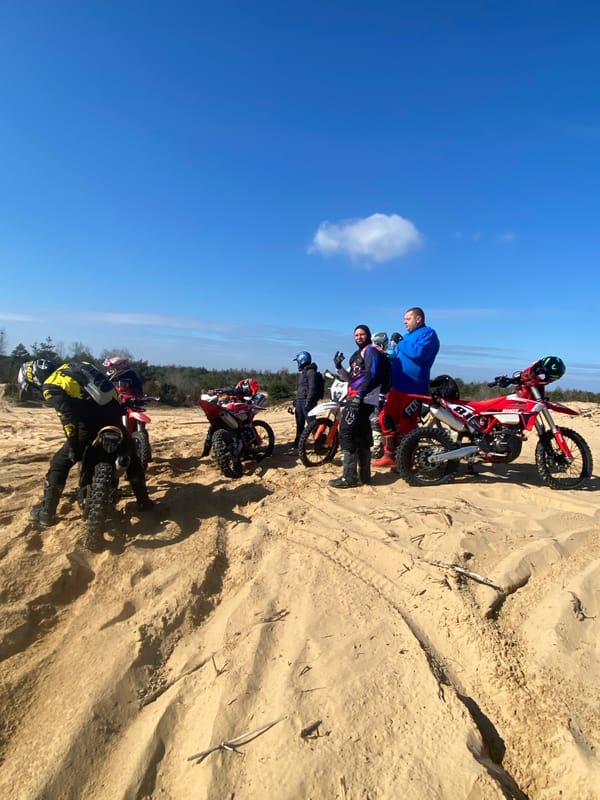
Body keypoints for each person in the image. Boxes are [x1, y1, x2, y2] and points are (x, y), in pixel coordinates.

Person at [21, 359, 154, 529]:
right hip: (113, 416)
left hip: (88, 425)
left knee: (59, 464)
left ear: (35, 377)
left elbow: (68, 420)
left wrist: (74, 447)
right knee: (130, 455)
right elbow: (108, 386)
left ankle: (47, 513)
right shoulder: (76, 366)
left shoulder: (51, 385)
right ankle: (144, 502)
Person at [373, 307, 440, 469]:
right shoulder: (408, 336)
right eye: (404, 319)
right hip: (397, 387)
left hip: (414, 388)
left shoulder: (428, 334)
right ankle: (390, 455)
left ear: (418, 319)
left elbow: (418, 353)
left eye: (408, 318)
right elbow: (396, 355)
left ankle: (407, 460)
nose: (404, 321)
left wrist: (401, 342)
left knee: (407, 423)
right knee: (385, 418)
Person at [329, 325, 387, 488]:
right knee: (361, 435)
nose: (358, 337)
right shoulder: (357, 355)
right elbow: (350, 379)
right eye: (356, 335)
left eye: (362, 334)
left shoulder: (371, 351)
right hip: (359, 398)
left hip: (360, 399)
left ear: (368, 335)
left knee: (346, 433)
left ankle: (349, 477)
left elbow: (372, 375)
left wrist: (359, 396)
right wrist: (339, 367)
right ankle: (365, 476)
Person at [291, 351, 320, 448]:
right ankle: (299, 443)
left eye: (298, 361)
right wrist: (296, 401)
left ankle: (319, 443)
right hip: (300, 401)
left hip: (306, 401)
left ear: (302, 360)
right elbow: (301, 388)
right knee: (299, 424)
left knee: (312, 425)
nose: (297, 363)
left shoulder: (311, 371)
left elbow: (312, 388)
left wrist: (309, 402)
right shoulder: (304, 371)